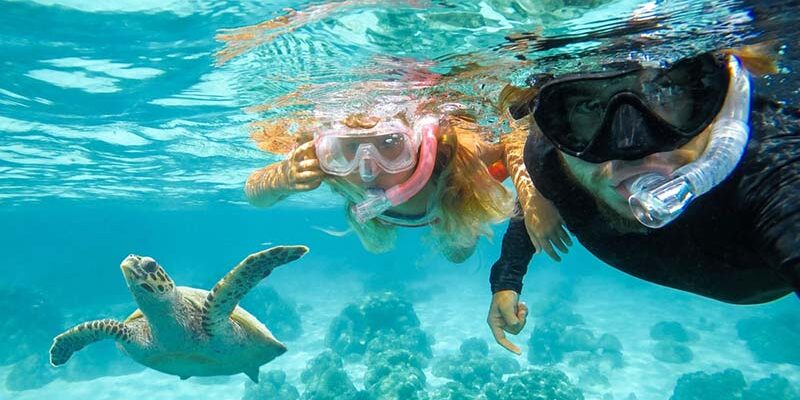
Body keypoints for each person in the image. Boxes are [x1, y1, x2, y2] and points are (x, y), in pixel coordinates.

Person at [487, 44, 800, 354]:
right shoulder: (551, 158)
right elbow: (543, 194)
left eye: (666, 91)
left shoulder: (772, 169)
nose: (630, 147)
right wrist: (507, 281)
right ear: (558, 128)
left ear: (720, 101)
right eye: (587, 107)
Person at [244, 95, 569, 264]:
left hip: (454, 201)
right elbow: (254, 196)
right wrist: (280, 179)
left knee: (458, 254)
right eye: (351, 148)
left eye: (389, 145)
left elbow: (513, 141)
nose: (368, 168)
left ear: (416, 143)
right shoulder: (329, 165)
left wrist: (533, 198)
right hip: (395, 217)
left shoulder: (451, 155)